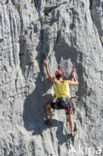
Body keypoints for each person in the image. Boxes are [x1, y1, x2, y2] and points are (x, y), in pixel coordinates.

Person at [43, 60, 78, 136]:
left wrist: (46, 66)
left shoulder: (56, 82)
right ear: (62, 76)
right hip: (69, 102)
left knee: (47, 107)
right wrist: (74, 75)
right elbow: (76, 83)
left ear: (56, 76)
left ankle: (51, 120)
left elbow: (48, 75)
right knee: (70, 118)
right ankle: (72, 132)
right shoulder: (67, 82)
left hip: (61, 103)